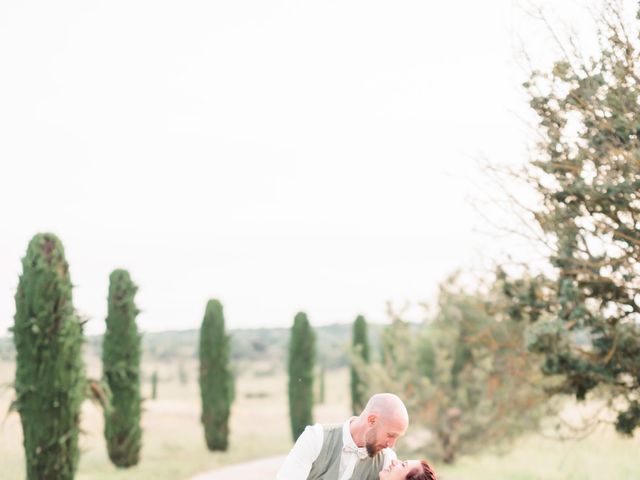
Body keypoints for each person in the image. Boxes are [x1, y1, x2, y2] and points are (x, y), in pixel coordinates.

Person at [276, 393, 409, 480]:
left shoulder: (387, 461)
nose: (391, 445)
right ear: (372, 420)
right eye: (390, 435)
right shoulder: (315, 438)